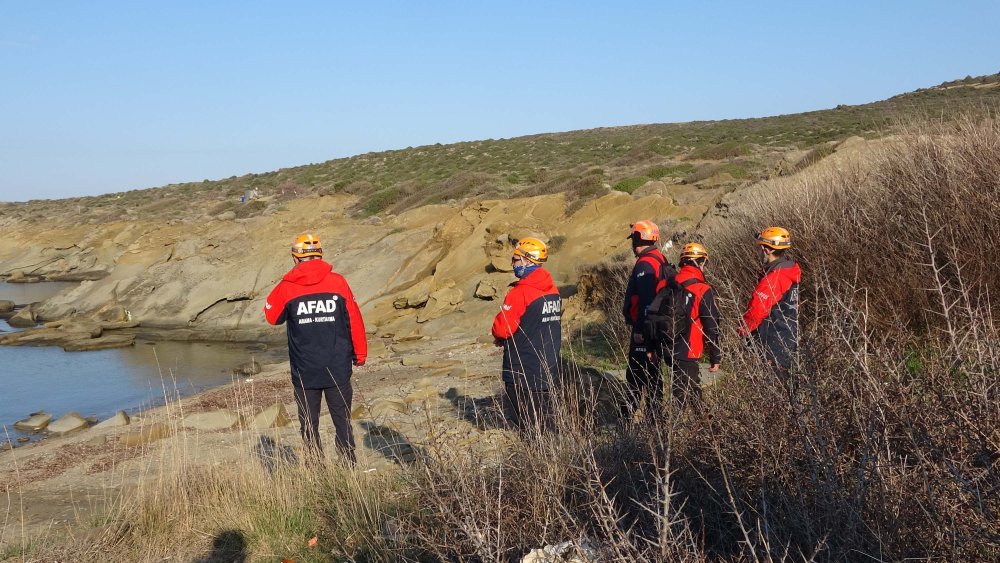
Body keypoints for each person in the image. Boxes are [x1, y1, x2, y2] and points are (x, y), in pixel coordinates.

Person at [264, 233, 367, 464]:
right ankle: (348, 466)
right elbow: (355, 319)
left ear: (295, 258)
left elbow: (271, 316)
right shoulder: (338, 282)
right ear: (320, 255)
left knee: (309, 423)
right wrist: (360, 354)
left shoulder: (287, 287)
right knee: (342, 420)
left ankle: (314, 470)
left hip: (304, 370)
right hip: (338, 366)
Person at [491, 237, 562, 432]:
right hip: (548, 366)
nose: (512, 263)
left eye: (515, 259)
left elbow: (502, 329)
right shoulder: (553, 290)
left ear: (527, 261)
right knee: (546, 421)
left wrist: (500, 334)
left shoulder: (520, 293)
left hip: (522, 369)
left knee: (527, 425)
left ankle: (535, 460)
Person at [621, 220, 675, 421]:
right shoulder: (660, 258)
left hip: (645, 331)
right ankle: (655, 420)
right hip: (657, 329)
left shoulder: (645, 264)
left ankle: (625, 423)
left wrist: (641, 332)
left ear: (637, 239)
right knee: (653, 377)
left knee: (635, 377)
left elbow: (645, 302)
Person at [737, 227, 801, 381]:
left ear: (766, 250)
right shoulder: (789, 271)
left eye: (760, 248)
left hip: (772, 341)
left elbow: (757, 310)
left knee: (773, 388)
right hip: (787, 337)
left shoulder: (774, 277)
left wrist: (742, 330)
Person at [669, 242, 721, 407]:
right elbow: (711, 325)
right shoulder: (702, 289)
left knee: (687, 391)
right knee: (685, 396)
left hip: (666, 347)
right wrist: (715, 356)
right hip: (689, 349)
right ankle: (697, 429)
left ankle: (702, 428)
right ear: (701, 262)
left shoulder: (667, 283)